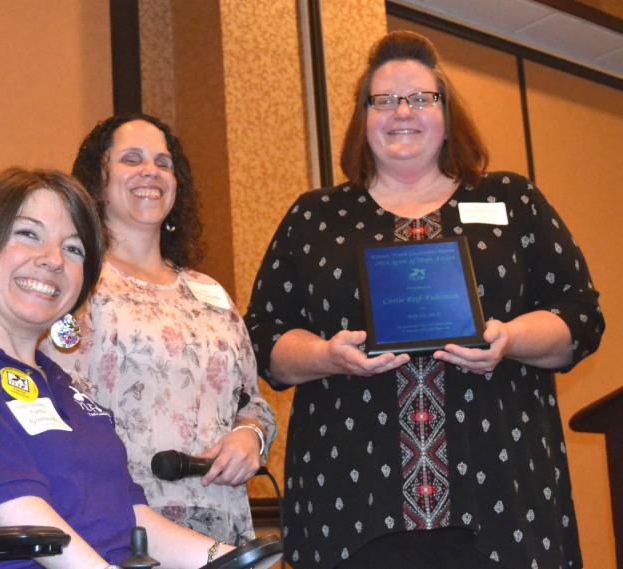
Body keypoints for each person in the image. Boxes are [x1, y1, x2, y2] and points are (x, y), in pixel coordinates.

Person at [245, 31, 604, 569]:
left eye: (421, 97)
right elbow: (264, 335)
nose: (401, 112)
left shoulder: (510, 198)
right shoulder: (315, 216)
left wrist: (510, 340)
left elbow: (581, 315)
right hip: (352, 504)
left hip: (504, 502)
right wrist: (326, 356)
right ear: (363, 118)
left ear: (447, 112)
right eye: (383, 100)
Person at [0, 167, 244, 569]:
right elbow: (4, 510)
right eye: (29, 234)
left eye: (73, 249)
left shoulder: (64, 387)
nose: (53, 260)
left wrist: (229, 559)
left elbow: (132, 522)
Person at [42, 114, 276, 545]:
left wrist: (251, 437)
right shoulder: (76, 285)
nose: (150, 171)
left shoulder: (211, 292)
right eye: (131, 159)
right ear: (98, 181)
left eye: (163, 163)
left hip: (225, 525)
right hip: (127, 527)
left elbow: (255, 403)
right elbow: (59, 410)